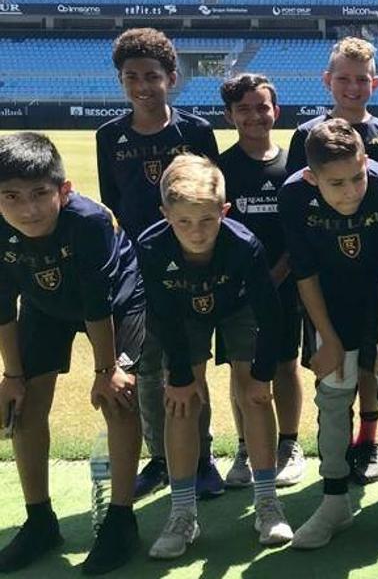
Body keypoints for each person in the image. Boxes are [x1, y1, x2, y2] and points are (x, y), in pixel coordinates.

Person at [280, 120, 378, 548]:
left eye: (356, 177)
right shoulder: (294, 195)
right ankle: (334, 501)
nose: (350, 191)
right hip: (329, 298)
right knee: (333, 386)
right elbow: (304, 271)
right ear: (312, 178)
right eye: (336, 183)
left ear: (366, 161)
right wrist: (326, 339)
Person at [0, 133, 144, 574]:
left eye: (40, 194)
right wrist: (12, 375)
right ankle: (40, 520)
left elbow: (96, 301)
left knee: (117, 397)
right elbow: (4, 302)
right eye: (11, 197)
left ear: (64, 190)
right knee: (24, 408)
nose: (27, 210)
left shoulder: (88, 221)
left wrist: (105, 370)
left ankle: (121, 520)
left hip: (116, 301)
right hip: (46, 306)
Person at [138, 156, 292, 559]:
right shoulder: (152, 248)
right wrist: (181, 375)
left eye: (207, 220)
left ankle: (267, 503)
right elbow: (161, 315)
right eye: (184, 221)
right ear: (165, 214)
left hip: (238, 308)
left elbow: (269, 313)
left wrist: (260, 374)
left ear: (224, 210)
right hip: (180, 313)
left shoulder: (243, 245)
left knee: (255, 395)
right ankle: (182, 512)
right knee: (181, 402)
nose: (197, 232)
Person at [95, 27, 221, 501]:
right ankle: (161, 458)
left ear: (172, 77)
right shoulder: (110, 136)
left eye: (152, 76)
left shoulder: (194, 131)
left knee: (189, 365)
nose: (143, 86)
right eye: (132, 77)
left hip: (190, 266)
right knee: (147, 370)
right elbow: (114, 205)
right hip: (136, 273)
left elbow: (211, 198)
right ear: (121, 81)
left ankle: (201, 456)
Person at [285, 36, 378, 486]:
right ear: (327, 81)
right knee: (338, 368)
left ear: (374, 82)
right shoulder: (306, 136)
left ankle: (368, 440)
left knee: (375, 365)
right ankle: (335, 457)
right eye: (344, 79)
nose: (353, 88)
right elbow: (300, 204)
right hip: (328, 273)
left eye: (361, 79)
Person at [217, 73, 306, 489]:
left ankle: (289, 444)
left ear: (276, 110)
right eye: (244, 109)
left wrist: (281, 269)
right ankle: (244, 446)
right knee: (242, 369)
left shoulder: (294, 165)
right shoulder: (222, 168)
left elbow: (301, 227)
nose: (254, 116)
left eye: (262, 107)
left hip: (286, 285)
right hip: (238, 288)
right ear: (230, 115)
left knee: (286, 365)